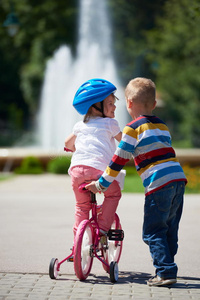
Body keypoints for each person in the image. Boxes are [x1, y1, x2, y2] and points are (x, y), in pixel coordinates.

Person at [86, 77, 187, 287]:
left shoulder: (132, 128)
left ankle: (166, 272)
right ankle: (168, 266)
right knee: (169, 228)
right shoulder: (162, 125)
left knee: (153, 230)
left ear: (129, 103)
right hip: (178, 179)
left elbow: (118, 160)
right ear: (154, 104)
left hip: (158, 183)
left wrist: (101, 184)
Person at [65, 78, 125, 240]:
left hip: (77, 171)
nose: (115, 106)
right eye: (111, 103)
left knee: (82, 207)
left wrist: (79, 151)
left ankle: (79, 243)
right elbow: (125, 142)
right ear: (96, 106)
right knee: (113, 195)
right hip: (99, 170)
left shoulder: (79, 125)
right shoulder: (111, 124)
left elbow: (67, 144)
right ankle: (103, 230)